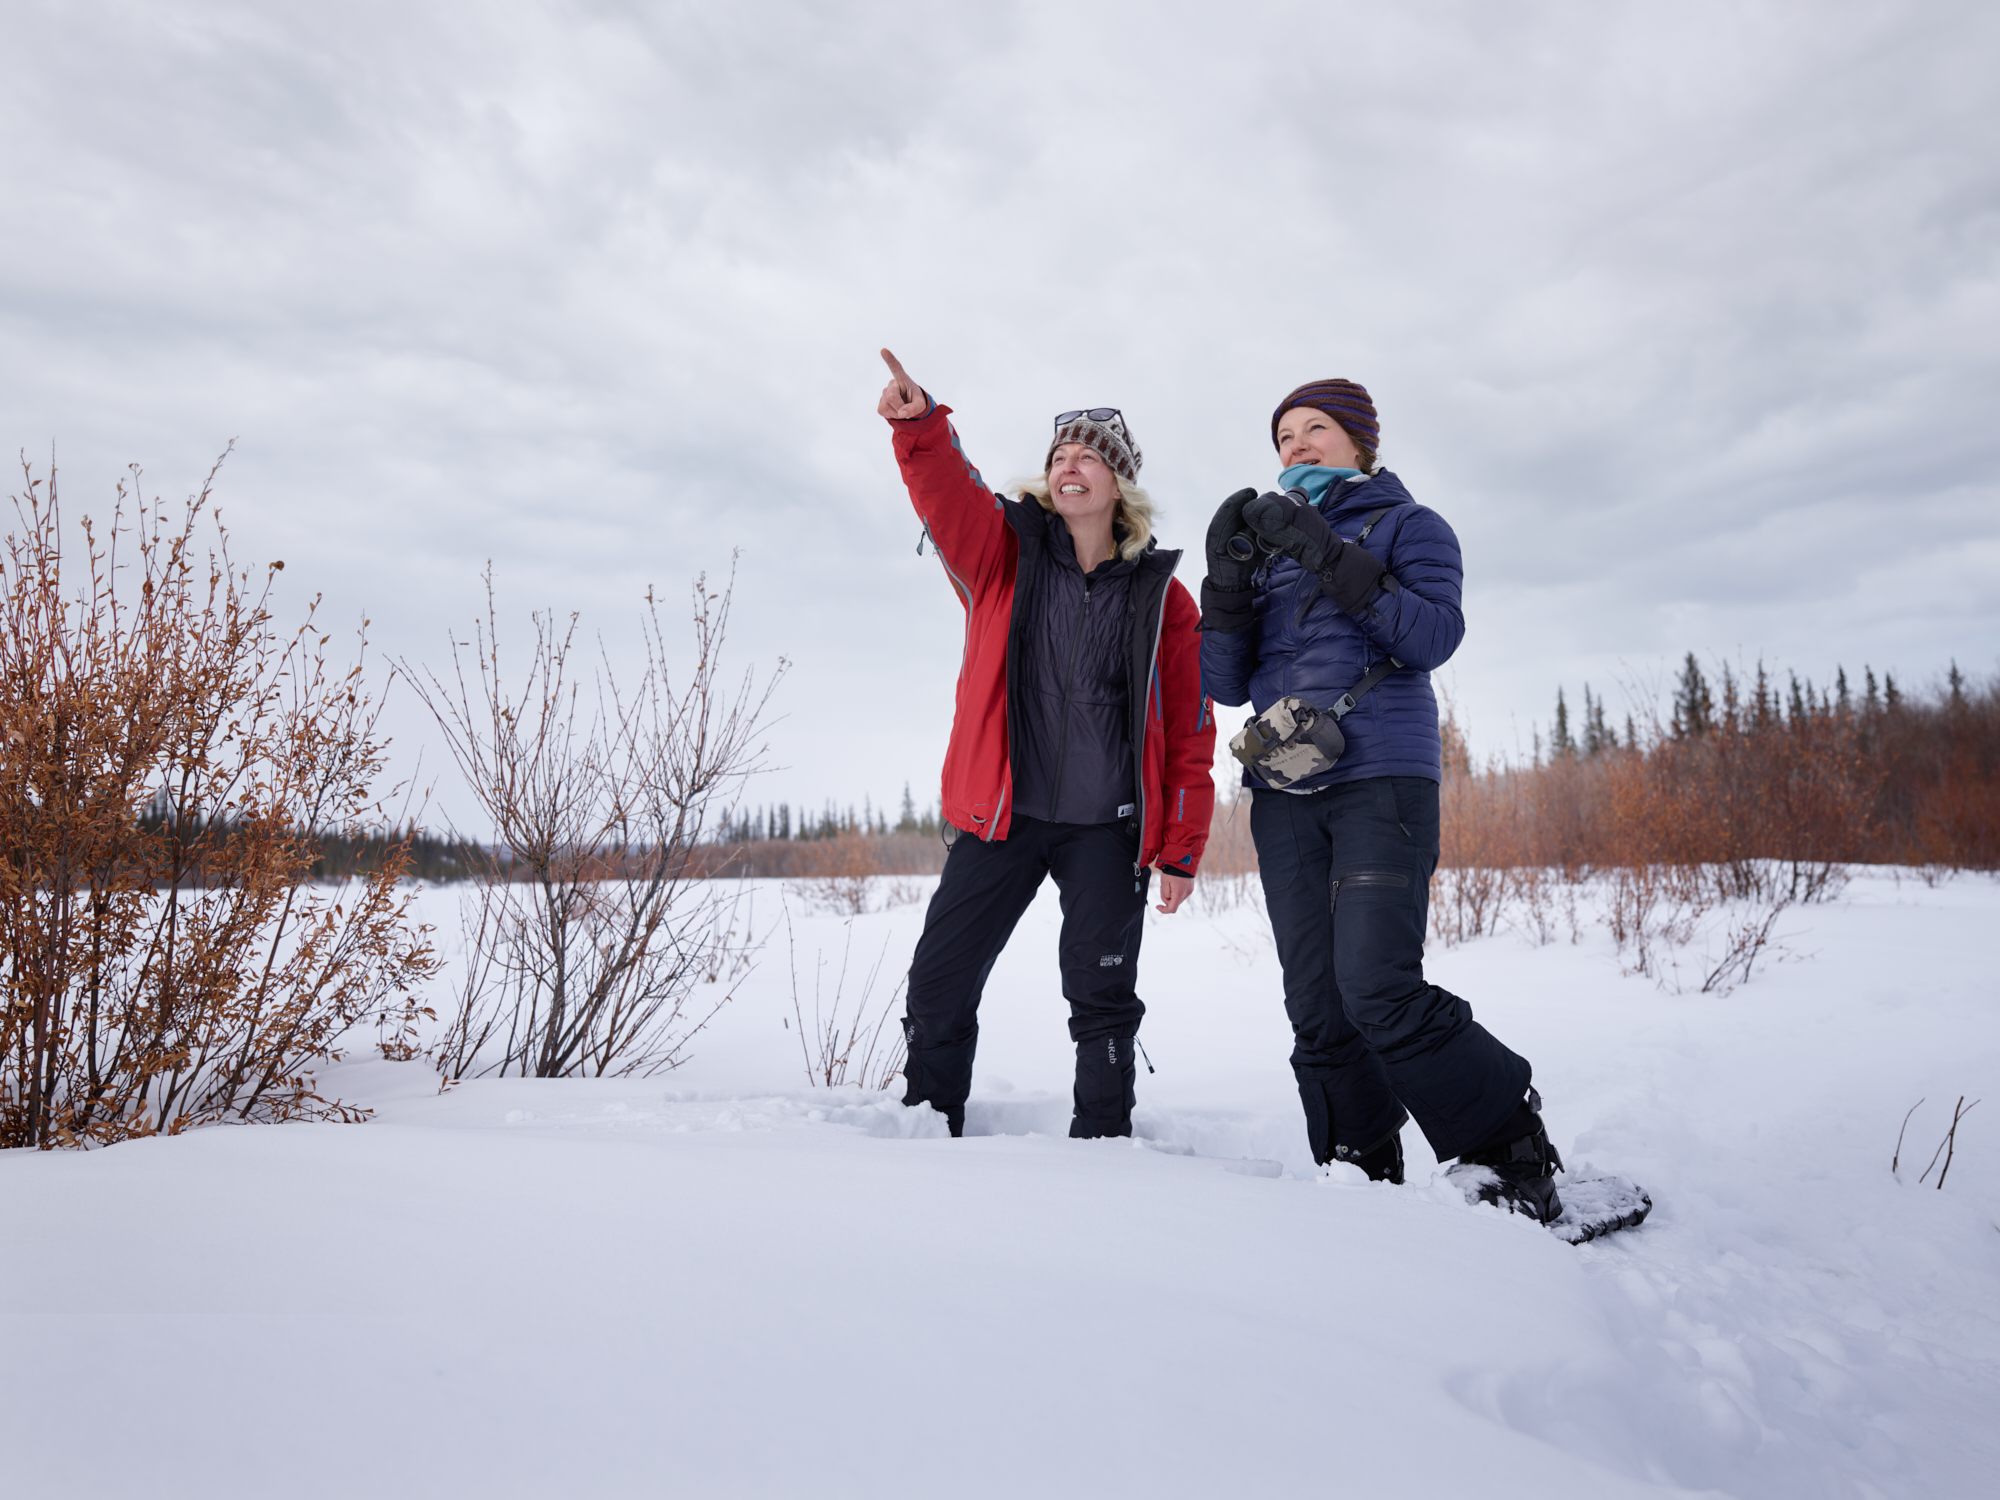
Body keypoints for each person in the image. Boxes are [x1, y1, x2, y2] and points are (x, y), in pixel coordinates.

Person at [1198, 379, 1563, 1221]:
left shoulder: (1412, 525)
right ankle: (1356, 1168)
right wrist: (1227, 584)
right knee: (1317, 1003)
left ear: (1361, 442)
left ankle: (1511, 1144)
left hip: (1381, 782)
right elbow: (1221, 685)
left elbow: (1433, 636)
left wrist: (1326, 550)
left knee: (1376, 986)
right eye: (1283, 435)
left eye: (1315, 428)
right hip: (1285, 793)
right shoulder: (1268, 554)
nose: (1296, 445)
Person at [876, 348, 1215, 1139]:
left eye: (1090, 457)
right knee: (940, 980)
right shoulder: (1005, 553)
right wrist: (921, 425)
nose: (1071, 466)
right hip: (1005, 816)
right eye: (1060, 456)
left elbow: (1191, 730)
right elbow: (948, 497)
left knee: (1102, 998)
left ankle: (1103, 1143)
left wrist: (1181, 846)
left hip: (1107, 826)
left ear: (1118, 484)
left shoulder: (1162, 596)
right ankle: (929, 1126)